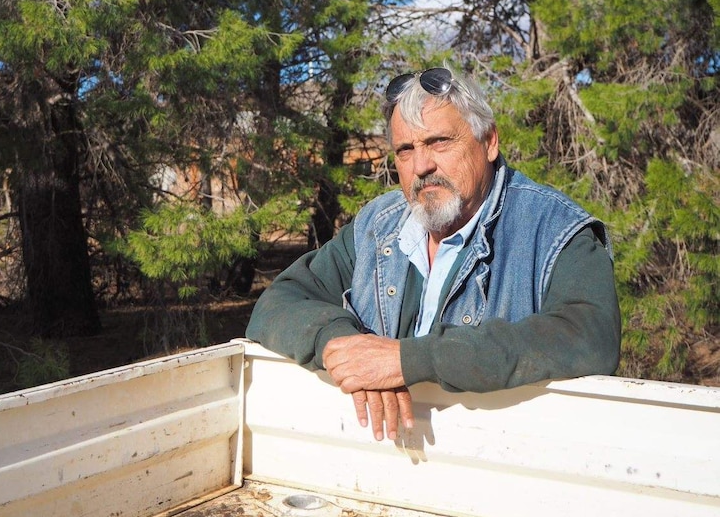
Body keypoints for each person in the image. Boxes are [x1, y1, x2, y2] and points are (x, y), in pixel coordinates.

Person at [246, 65, 621, 442]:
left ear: (489, 142)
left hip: (501, 467)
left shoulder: (554, 229)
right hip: (373, 462)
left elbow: (590, 336)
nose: (422, 166)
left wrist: (406, 361)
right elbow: (277, 304)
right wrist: (348, 348)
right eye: (406, 150)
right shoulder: (378, 227)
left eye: (439, 142)